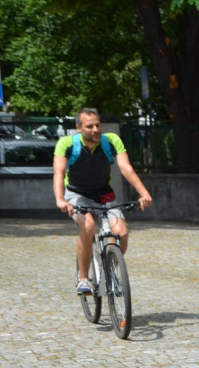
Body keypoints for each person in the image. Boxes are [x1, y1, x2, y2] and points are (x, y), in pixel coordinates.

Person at [53, 108, 153, 294]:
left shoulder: (111, 141)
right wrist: (60, 199)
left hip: (104, 195)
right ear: (78, 128)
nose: (95, 129)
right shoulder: (66, 144)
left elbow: (126, 168)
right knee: (88, 226)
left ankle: (111, 268)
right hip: (77, 195)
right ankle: (83, 279)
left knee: (122, 232)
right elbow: (58, 172)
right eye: (89, 126)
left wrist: (144, 193)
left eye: (97, 125)